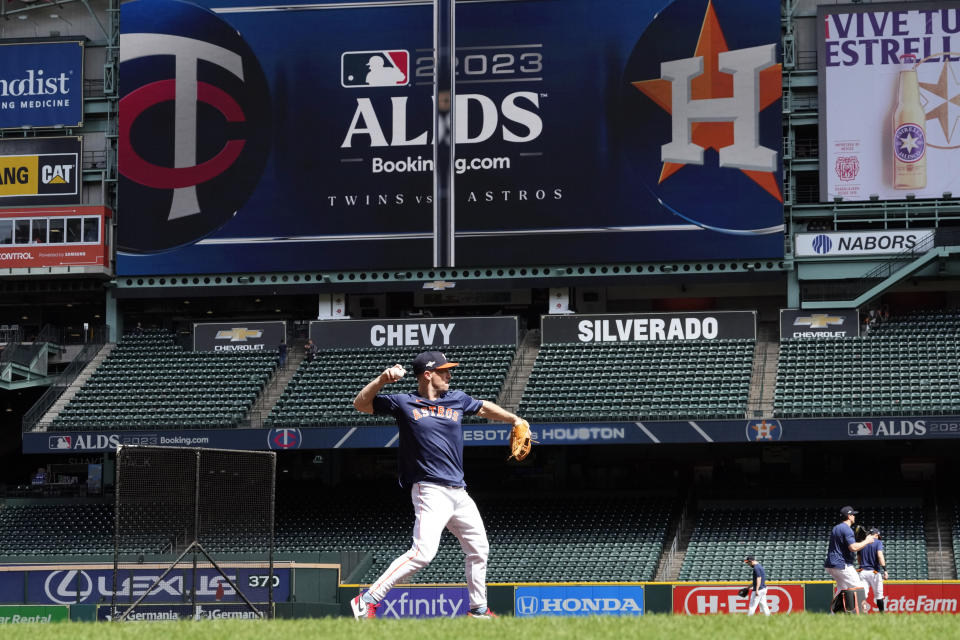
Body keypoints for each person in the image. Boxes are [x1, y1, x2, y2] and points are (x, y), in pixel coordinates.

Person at [349, 350, 525, 620]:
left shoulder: (456, 399)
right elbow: (360, 404)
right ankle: (367, 599)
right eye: (444, 371)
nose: (449, 375)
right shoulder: (404, 403)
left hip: (459, 491)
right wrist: (382, 380)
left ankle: (478, 610)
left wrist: (514, 419)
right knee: (422, 554)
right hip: (429, 489)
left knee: (479, 548)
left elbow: (483, 406)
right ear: (428, 375)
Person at [824, 505, 877, 613]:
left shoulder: (836, 528)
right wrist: (867, 540)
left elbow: (845, 545)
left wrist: (857, 540)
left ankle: (833, 615)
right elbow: (853, 548)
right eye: (853, 514)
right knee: (860, 588)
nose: (854, 516)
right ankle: (861, 614)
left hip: (831, 565)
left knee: (842, 589)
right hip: (842, 565)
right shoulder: (847, 529)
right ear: (849, 516)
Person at [859, 527, 888, 613]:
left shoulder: (862, 542)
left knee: (863, 595)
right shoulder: (878, 542)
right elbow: (880, 556)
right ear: (876, 534)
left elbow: (858, 558)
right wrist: (885, 570)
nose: (879, 537)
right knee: (879, 596)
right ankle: (882, 615)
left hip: (863, 572)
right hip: (874, 572)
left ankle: (863, 613)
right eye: (878, 536)